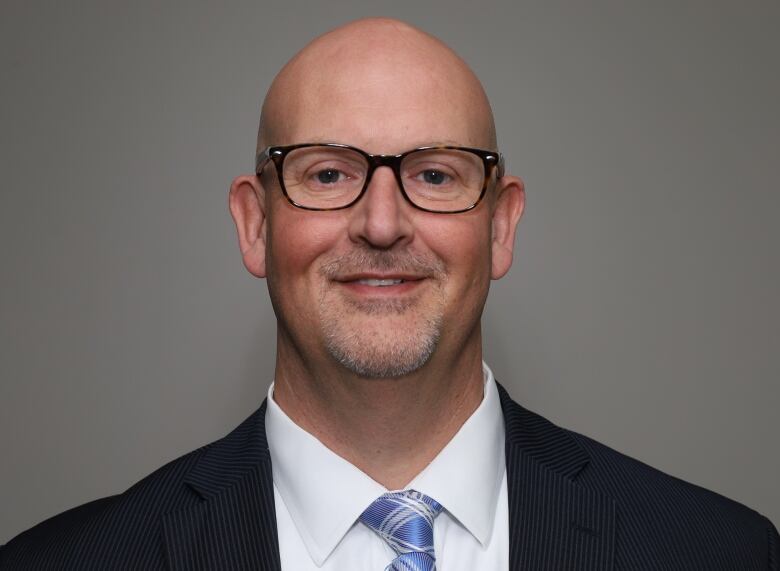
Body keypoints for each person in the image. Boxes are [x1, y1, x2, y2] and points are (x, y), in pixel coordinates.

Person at [1, 17, 777, 571]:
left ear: (501, 227)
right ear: (255, 223)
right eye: (328, 172)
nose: (380, 222)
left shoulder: (722, 552)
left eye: (435, 174)